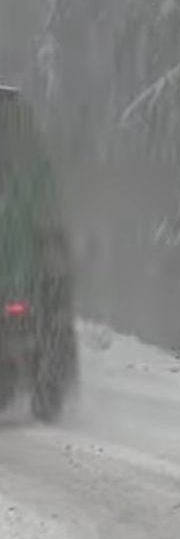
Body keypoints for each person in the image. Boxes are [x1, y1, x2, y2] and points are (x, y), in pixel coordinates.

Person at [0, 85, 77, 418]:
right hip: (33, 281)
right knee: (53, 321)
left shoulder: (32, 167)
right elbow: (49, 215)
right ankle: (48, 384)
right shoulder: (34, 164)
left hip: (29, 283)